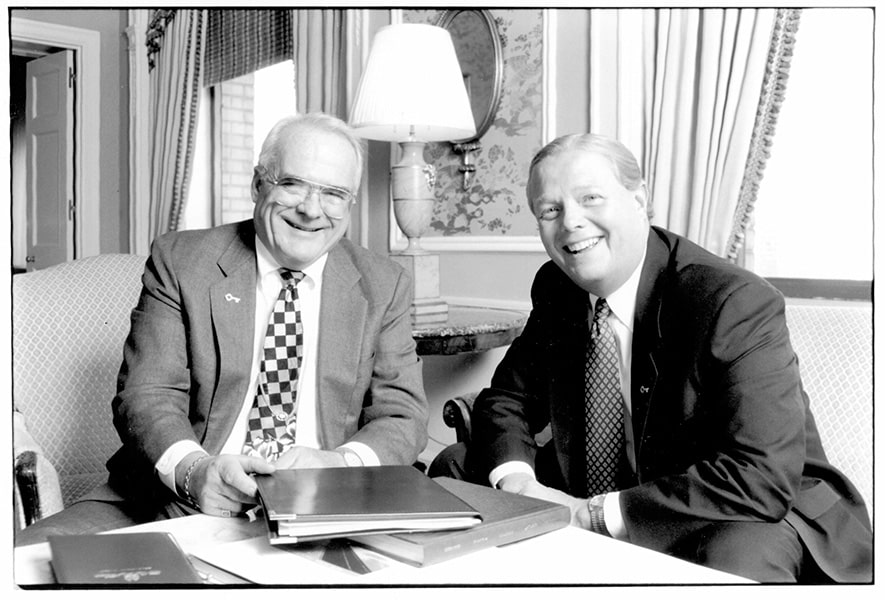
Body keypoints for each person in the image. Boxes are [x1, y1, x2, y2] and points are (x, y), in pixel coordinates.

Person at [429, 133, 871, 583]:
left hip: (738, 504)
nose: (571, 223)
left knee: (739, 549)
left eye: (591, 199)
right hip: (608, 482)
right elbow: (507, 399)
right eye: (550, 210)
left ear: (638, 199)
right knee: (458, 466)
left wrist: (590, 515)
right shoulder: (559, 287)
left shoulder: (730, 300)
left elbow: (758, 477)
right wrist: (518, 484)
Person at [16, 113, 428, 545]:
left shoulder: (384, 283)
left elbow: (402, 414)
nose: (311, 209)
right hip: (170, 497)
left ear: (350, 203)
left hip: (327, 510)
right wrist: (196, 473)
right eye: (292, 184)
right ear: (258, 185)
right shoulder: (181, 260)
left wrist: (339, 467)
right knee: (32, 560)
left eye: (333, 193)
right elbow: (147, 394)